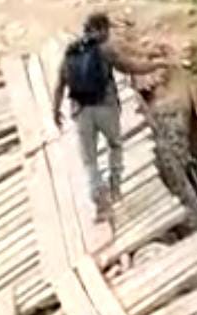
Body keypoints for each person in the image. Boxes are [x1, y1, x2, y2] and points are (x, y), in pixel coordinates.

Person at [54, 13, 171, 220]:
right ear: (101, 29)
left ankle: (101, 203)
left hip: (81, 112)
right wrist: (158, 64)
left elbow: (59, 85)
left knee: (90, 161)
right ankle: (115, 188)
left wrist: (55, 112)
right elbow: (131, 66)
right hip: (106, 109)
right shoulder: (105, 49)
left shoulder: (71, 52)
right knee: (114, 145)